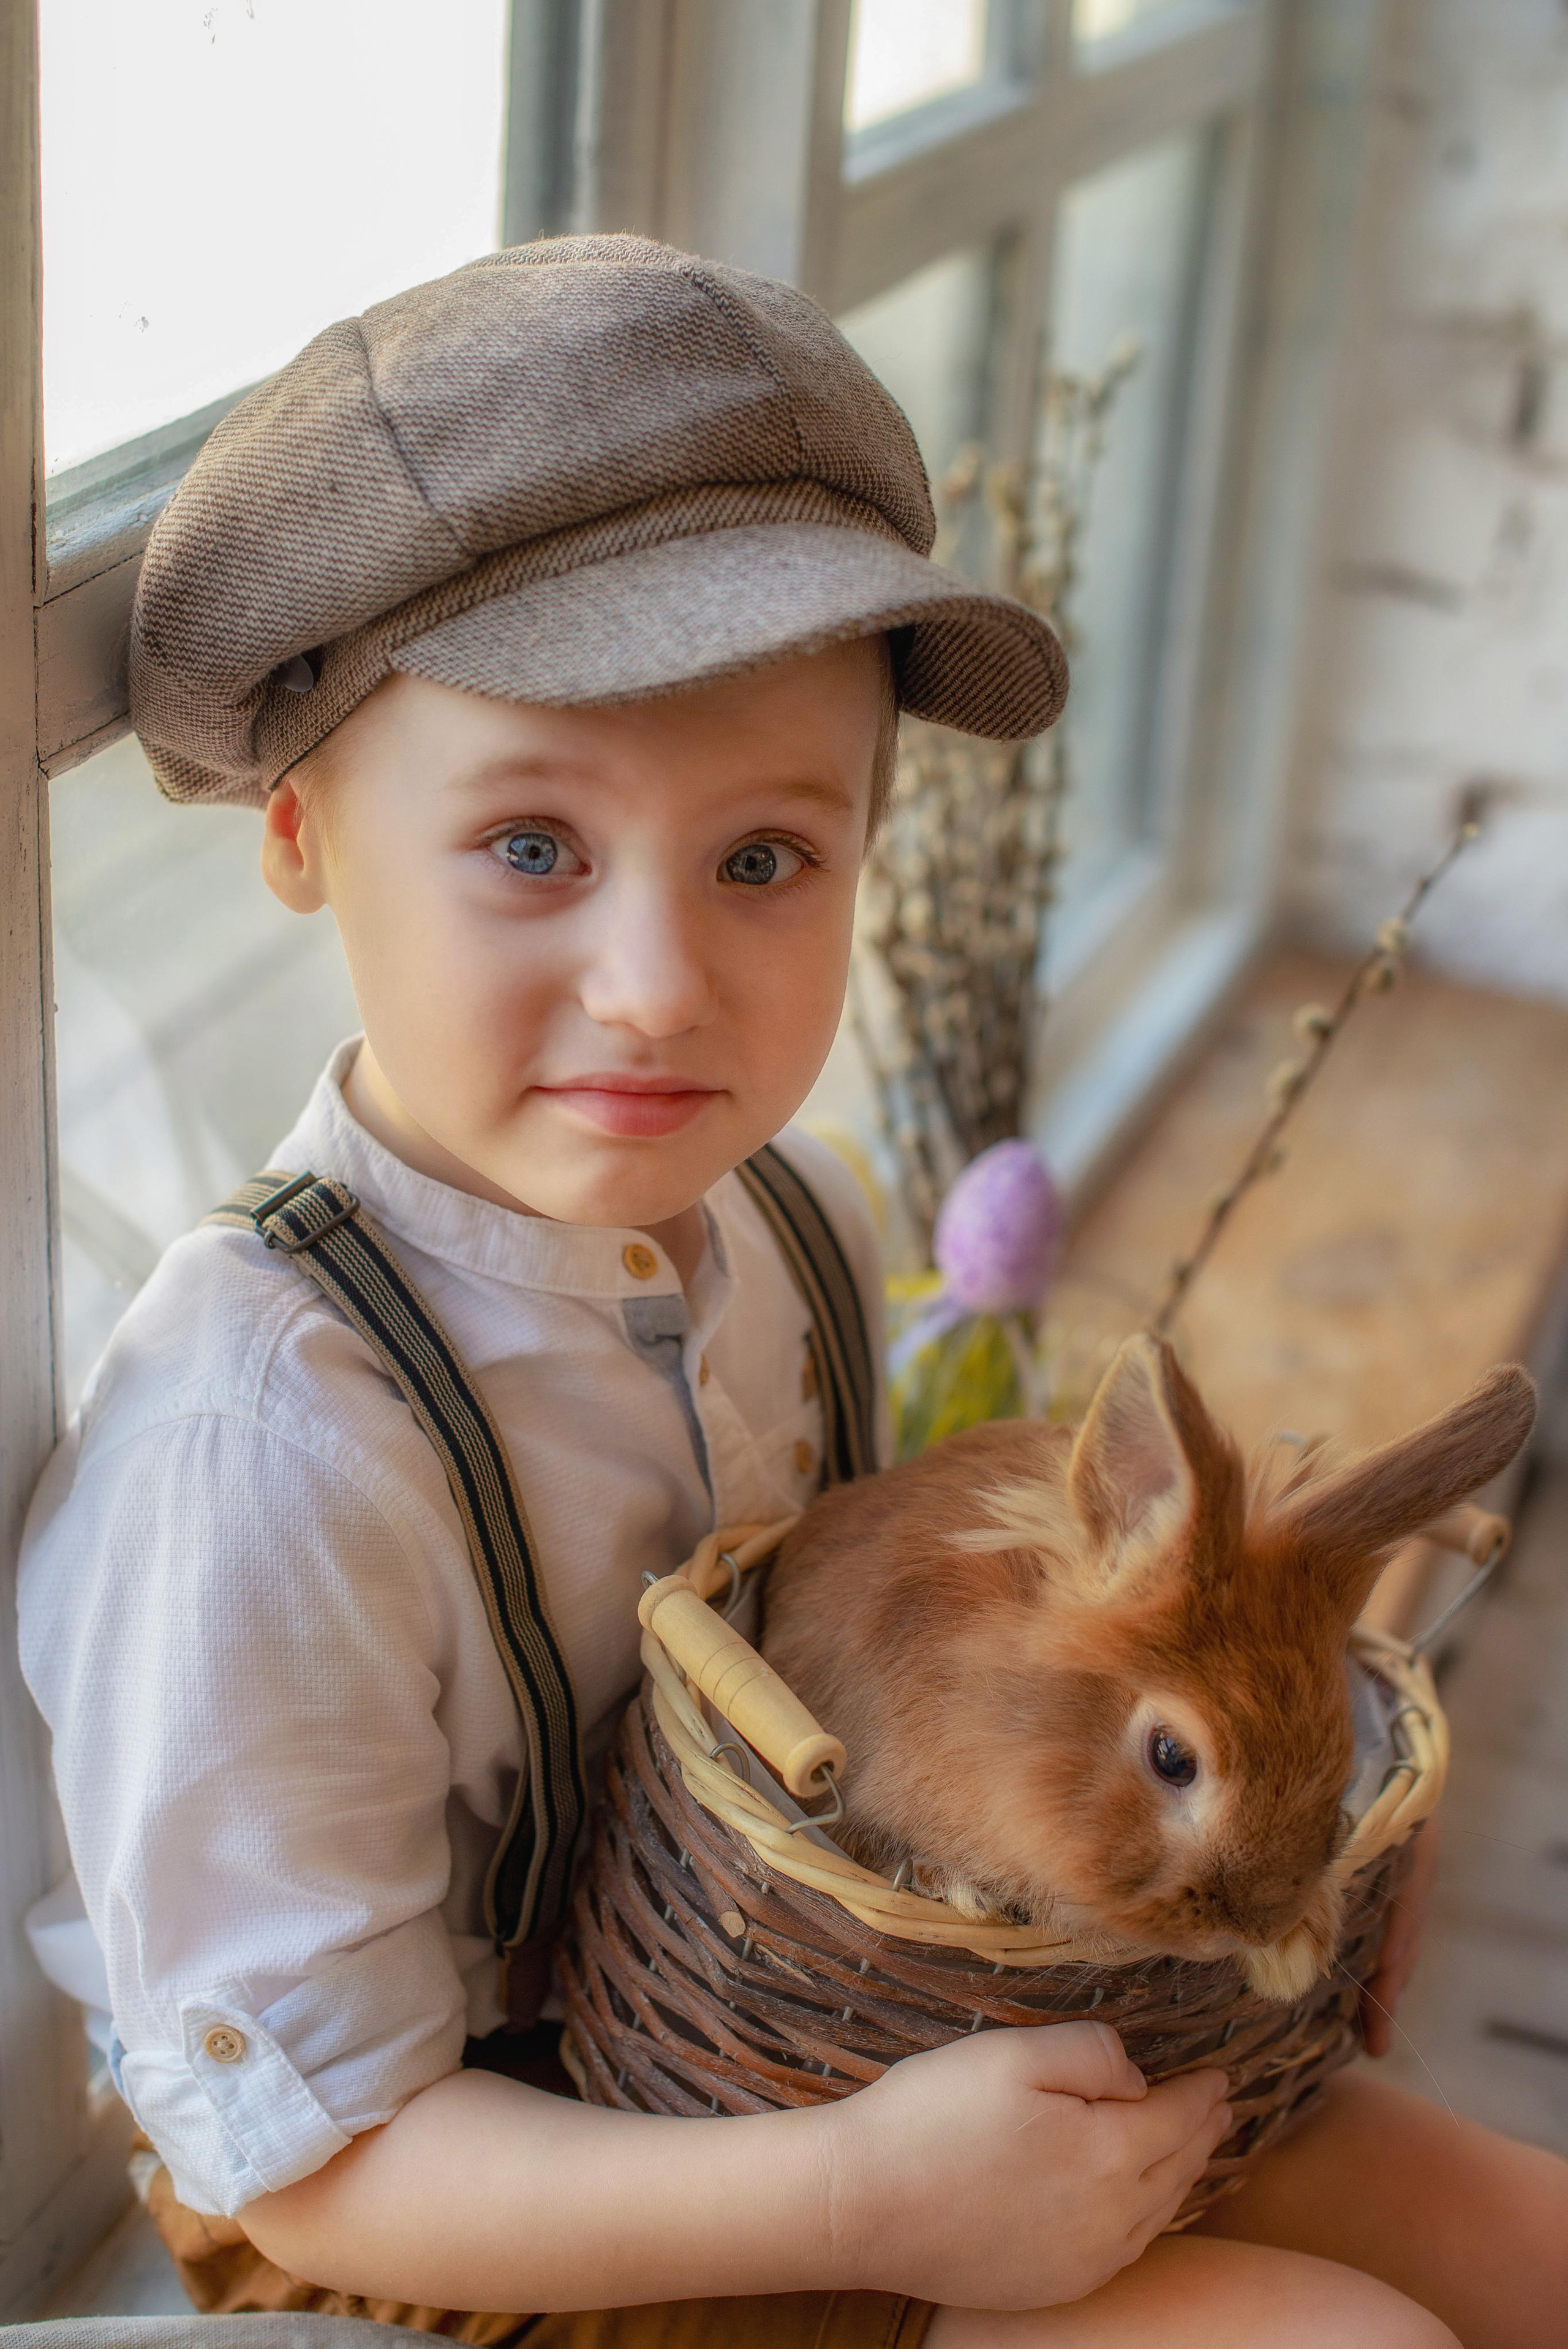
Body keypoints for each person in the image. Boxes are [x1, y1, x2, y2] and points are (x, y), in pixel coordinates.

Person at [18, 235, 1565, 2349]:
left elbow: (951, 1658)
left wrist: (1295, 1840)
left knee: (1511, 2233)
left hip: (826, 2035)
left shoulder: (803, 1220)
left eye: (764, 860)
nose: (660, 988)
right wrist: (861, 2191)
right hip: (501, 2230)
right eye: (533, 848)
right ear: (300, 832)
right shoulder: (264, 1445)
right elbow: (315, 2156)